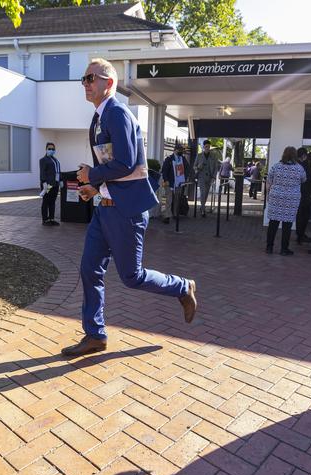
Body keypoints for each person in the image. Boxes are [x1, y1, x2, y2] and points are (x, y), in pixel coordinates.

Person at [63, 58, 197, 357]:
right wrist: (94, 187)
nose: (85, 84)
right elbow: (114, 165)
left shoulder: (117, 113)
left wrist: (91, 175)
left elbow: (126, 162)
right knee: (89, 269)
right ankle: (95, 335)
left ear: (108, 83)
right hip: (105, 209)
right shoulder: (100, 117)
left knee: (131, 276)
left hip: (125, 213)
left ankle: (182, 287)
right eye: (83, 79)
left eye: (90, 78)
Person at [265, 146, 306, 255]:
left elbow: (268, 182)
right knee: (287, 225)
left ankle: (269, 247)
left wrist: (268, 194)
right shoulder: (299, 168)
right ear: (295, 155)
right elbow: (303, 180)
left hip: (276, 197)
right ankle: (284, 249)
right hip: (291, 199)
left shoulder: (276, 166)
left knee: (273, 223)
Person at [161, 143, 190, 224]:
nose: (181, 151)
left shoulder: (183, 159)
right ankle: (167, 216)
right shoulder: (169, 159)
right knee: (169, 200)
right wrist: (166, 180)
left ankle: (175, 214)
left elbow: (188, 168)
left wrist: (185, 177)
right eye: (179, 150)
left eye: (182, 150)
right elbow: (164, 171)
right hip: (169, 182)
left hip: (179, 183)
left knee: (177, 199)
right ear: (175, 150)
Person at [194, 140, 219, 217]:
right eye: (206, 147)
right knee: (203, 192)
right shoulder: (199, 155)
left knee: (206, 193)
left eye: (208, 147)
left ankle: (202, 207)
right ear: (203, 147)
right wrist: (198, 167)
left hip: (210, 177)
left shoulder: (213, 156)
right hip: (201, 176)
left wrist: (214, 177)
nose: (207, 148)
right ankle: (203, 209)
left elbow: (216, 168)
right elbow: (194, 166)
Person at [39, 142, 61, 226]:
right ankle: (45, 220)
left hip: (55, 184)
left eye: (53, 149)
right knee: (46, 201)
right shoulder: (43, 160)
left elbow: (58, 171)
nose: (51, 150)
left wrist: (61, 180)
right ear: (46, 149)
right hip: (48, 185)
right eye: (49, 149)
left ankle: (52, 219)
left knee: (52, 202)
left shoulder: (55, 160)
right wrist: (44, 183)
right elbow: (42, 172)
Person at [295, 147, 311, 244]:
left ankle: (299, 234)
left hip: (297, 192)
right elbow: (310, 180)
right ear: (304, 156)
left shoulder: (295, 165)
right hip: (306, 193)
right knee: (305, 215)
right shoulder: (307, 166)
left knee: (299, 214)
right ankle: (301, 235)